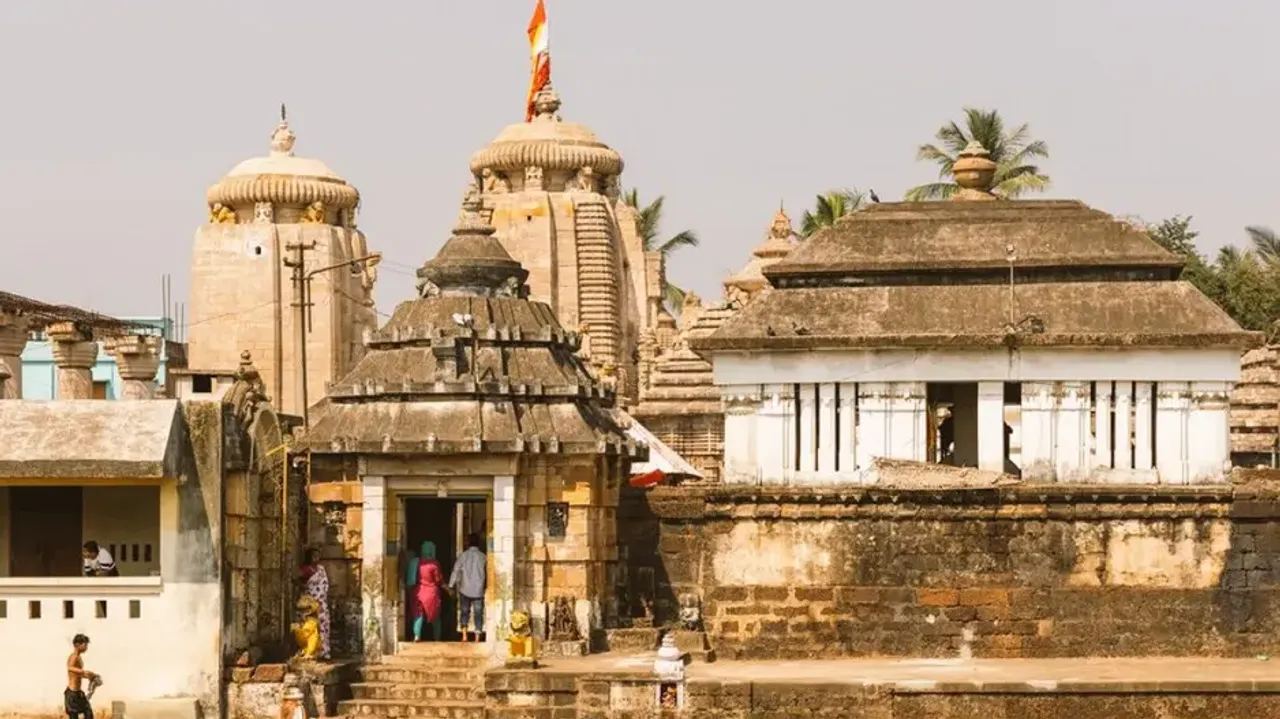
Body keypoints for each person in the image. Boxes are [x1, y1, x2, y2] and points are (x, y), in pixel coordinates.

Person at [449, 533, 488, 642]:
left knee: (464, 611)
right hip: (478, 590)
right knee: (478, 613)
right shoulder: (483, 557)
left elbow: (456, 571)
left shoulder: (463, 556)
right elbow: (487, 572)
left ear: (468, 543)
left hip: (464, 588)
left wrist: (451, 585)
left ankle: (464, 635)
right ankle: (477, 637)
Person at [405, 541, 443, 642]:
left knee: (418, 614)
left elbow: (410, 580)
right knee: (435, 616)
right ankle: (437, 638)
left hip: (417, 592)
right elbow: (438, 579)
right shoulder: (434, 564)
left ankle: (417, 636)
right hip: (431, 593)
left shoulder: (415, 562)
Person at [298, 548, 330, 659]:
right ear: (309, 557)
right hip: (310, 602)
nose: (317, 558)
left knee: (323, 625)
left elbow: (325, 585)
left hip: (322, 602)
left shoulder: (321, 569)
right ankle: (310, 649)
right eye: (314, 555)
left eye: (318, 555)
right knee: (310, 626)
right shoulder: (305, 569)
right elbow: (299, 581)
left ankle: (324, 650)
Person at [66, 634, 98, 719]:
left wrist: (88, 675)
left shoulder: (79, 657)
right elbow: (70, 668)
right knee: (75, 716)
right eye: (85, 644)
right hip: (72, 694)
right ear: (77, 645)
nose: (86, 647)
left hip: (77, 693)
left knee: (88, 713)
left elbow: (76, 673)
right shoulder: (74, 656)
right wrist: (84, 671)